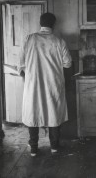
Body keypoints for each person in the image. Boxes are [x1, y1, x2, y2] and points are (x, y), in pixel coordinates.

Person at [18, 12, 72, 157]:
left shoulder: (29, 39)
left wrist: (28, 78)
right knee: (53, 112)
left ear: (40, 23)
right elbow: (67, 63)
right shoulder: (58, 41)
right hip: (53, 83)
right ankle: (54, 146)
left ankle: (34, 148)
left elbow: (21, 64)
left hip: (33, 84)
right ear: (53, 24)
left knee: (33, 112)